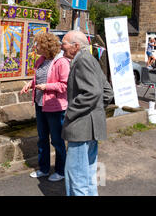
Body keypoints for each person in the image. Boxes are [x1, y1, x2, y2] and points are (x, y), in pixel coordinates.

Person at [60, 30, 113, 196]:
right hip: (92, 127)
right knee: (88, 176)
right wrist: (96, 112)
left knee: (76, 178)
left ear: (76, 46)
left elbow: (93, 93)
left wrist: (71, 112)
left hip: (80, 128)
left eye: (64, 43)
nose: (61, 47)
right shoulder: (91, 59)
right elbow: (107, 92)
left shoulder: (81, 60)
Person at [20, 32, 70, 182]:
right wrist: (31, 84)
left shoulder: (62, 62)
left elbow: (65, 85)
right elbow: (39, 77)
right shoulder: (41, 60)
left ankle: (61, 171)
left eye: (38, 44)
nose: (36, 47)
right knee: (42, 139)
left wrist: (46, 87)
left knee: (56, 140)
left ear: (47, 46)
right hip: (40, 104)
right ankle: (44, 169)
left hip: (55, 107)